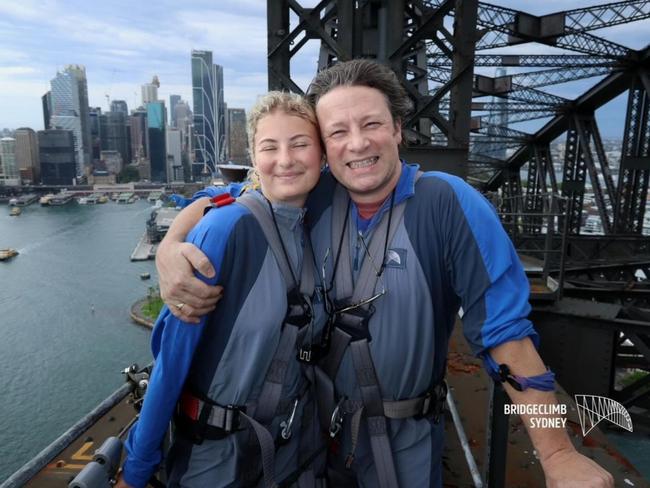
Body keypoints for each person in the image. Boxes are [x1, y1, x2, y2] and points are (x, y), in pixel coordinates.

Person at [155, 59, 614, 487]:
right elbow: (231, 197)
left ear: (397, 129)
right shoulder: (319, 192)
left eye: (372, 124)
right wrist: (172, 245)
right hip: (315, 443)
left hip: (405, 447)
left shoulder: (447, 204)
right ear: (324, 147)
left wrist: (557, 455)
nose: (357, 144)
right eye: (337, 132)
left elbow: (508, 337)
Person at [116, 92, 327, 488]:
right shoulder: (225, 229)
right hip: (214, 459)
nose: (285, 159)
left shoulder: (319, 220)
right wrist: (137, 468)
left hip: (292, 451)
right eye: (269, 147)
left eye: (300, 144)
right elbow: (171, 363)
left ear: (322, 153)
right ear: (253, 156)